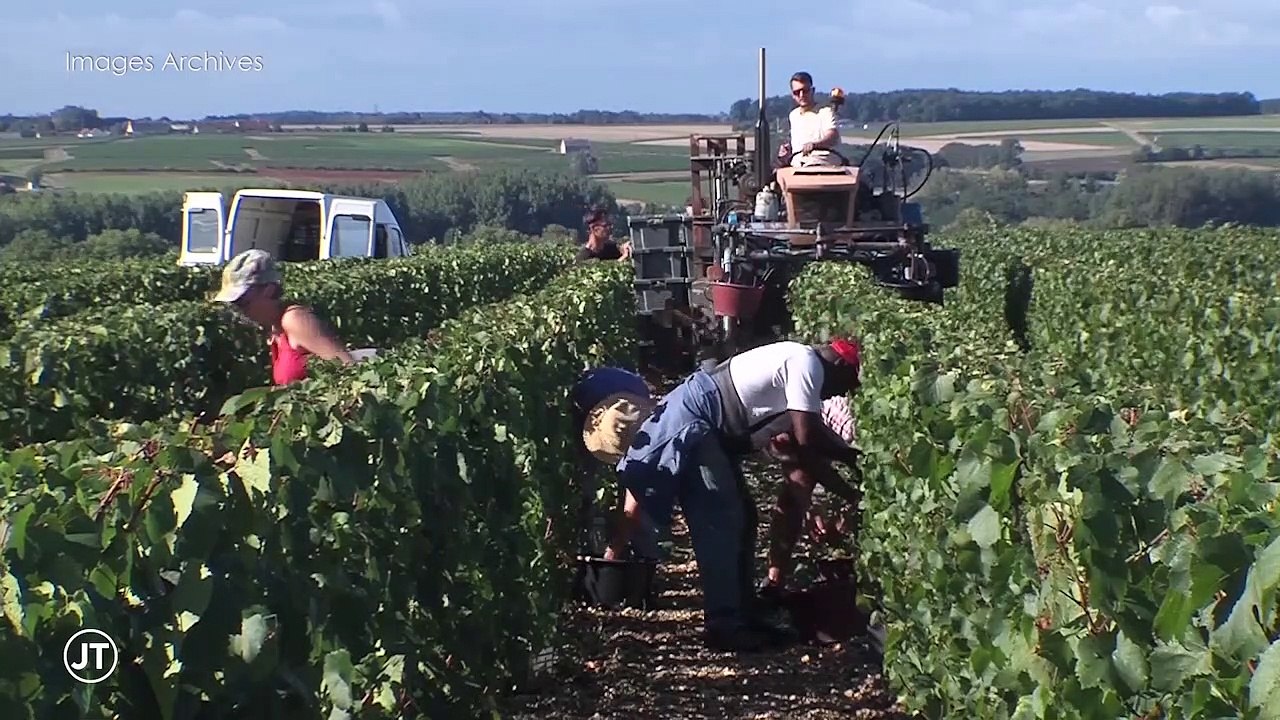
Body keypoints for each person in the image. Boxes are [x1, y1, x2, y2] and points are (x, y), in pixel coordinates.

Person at [612, 338, 864, 651]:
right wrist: (854, 464)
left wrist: (850, 486)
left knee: (744, 517)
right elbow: (808, 437)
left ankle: (745, 613)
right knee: (722, 522)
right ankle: (724, 625)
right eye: (847, 384)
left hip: (711, 427)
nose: (841, 393)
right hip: (699, 424)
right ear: (840, 365)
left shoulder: (801, 366)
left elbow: (806, 453)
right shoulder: (806, 363)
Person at [212, 249, 354, 385]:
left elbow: (350, 370)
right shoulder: (275, 328)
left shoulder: (294, 320)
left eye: (242, 301)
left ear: (269, 290)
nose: (239, 309)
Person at [776, 71, 843, 168]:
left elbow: (832, 136)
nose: (801, 95)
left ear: (813, 90)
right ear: (792, 95)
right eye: (797, 92)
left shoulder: (825, 112)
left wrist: (815, 145)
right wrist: (787, 150)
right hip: (798, 165)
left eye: (805, 91)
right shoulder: (793, 115)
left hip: (824, 163)